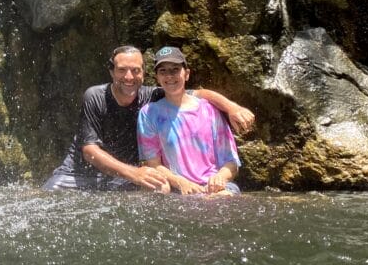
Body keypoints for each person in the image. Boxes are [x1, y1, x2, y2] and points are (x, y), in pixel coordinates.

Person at [42, 45, 254, 191]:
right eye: (122, 70)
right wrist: (135, 174)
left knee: (158, 189)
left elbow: (196, 94)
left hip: (125, 177)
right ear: (111, 72)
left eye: (135, 71)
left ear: (143, 74)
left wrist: (231, 107)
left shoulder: (152, 96)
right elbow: (89, 151)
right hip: (79, 174)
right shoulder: (95, 96)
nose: (129, 77)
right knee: (50, 194)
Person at [137, 46, 241, 195]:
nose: (169, 76)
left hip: (215, 188)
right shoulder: (148, 113)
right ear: (157, 78)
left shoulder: (210, 110)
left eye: (175, 70)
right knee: (158, 190)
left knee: (223, 196)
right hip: (177, 187)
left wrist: (220, 177)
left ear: (186, 74)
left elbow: (231, 163)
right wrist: (181, 182)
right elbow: (153, 165)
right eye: (163, 71)